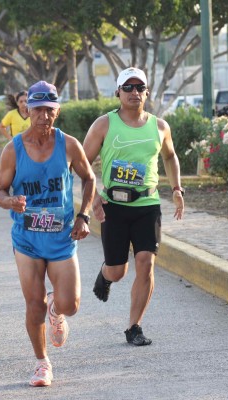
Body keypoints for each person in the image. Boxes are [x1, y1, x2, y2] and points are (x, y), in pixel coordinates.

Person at [0, 81, 96, 387]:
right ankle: (42, 363)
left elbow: (89, 180)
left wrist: (83, 216)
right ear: (27, 110)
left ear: (57, 111)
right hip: (27, 240)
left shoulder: (69, 145)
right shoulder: (13, 149)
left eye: (49, 110)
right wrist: (10, 201)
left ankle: (56, 309)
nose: (43, 116)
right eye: (37, 109)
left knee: (70, 305)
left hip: (62, 238)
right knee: (33, 302)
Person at [82, 67, 185, 347]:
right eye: (128, 88)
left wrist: (176, 188)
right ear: (117, 92)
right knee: (118, 270)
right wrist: (94, 199)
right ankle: (105, 276)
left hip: (147, 204)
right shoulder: (104, 124)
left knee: (146, 263)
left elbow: (171, 156)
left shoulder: (160, 127)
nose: (134, 92)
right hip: (113, 206)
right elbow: (81, 165)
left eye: (140, 87)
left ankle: (134, 327)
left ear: (147, 92)